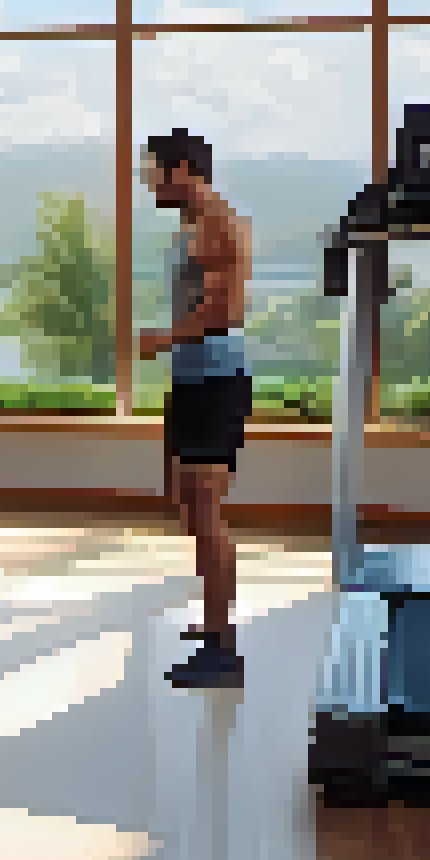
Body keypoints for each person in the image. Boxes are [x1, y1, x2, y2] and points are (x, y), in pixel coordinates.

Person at [137, 129, 254, 689]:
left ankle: (221, 646)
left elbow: (225, 311)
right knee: (188, 505)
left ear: (183, 169)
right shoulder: (194, 225)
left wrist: (159, 339)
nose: (148, 181)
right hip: (194, 379)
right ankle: (212, 623)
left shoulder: (215, 225)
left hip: (215, 381)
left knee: (206, 513)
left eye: (154, 170)